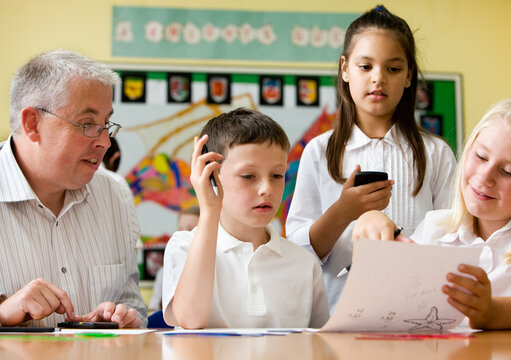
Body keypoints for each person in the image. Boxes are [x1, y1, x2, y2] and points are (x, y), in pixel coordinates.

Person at [286, 4, 456, 311]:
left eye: (393, 69)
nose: (378, 78)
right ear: (344, 69)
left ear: (408, 76)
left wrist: (395, 238)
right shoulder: (318, 152)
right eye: (365, 67)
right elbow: (298, 250)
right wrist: (344, 211)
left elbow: (454, 239)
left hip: (417, 312)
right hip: (337, 314)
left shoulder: (436, 153)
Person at [353, 97, 511, 329]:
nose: (484, 178)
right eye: (480, 157)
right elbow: (389, 306)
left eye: (508, 172)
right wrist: (371, 221)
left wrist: (494, 312)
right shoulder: (435, 227)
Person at [0, 50, 147, 328]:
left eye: (106, 124)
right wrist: (3, 312)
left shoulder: (114, 194)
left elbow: (134, 304)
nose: (104, 142)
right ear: (33, 124)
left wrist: (123, 318)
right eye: (87, 124)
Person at [162, 108, 329, 328]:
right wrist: (210, 209)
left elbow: (318, 344)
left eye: (277, 175)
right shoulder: (183, 246)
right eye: (249, 176)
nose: (266, 189)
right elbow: (190, 319)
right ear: (212, 176)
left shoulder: (304, 264)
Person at [148, 206, 201, 311]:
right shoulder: (164, 271)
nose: (183, 235)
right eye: (180, 229)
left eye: (190, 229)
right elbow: (153, 307)